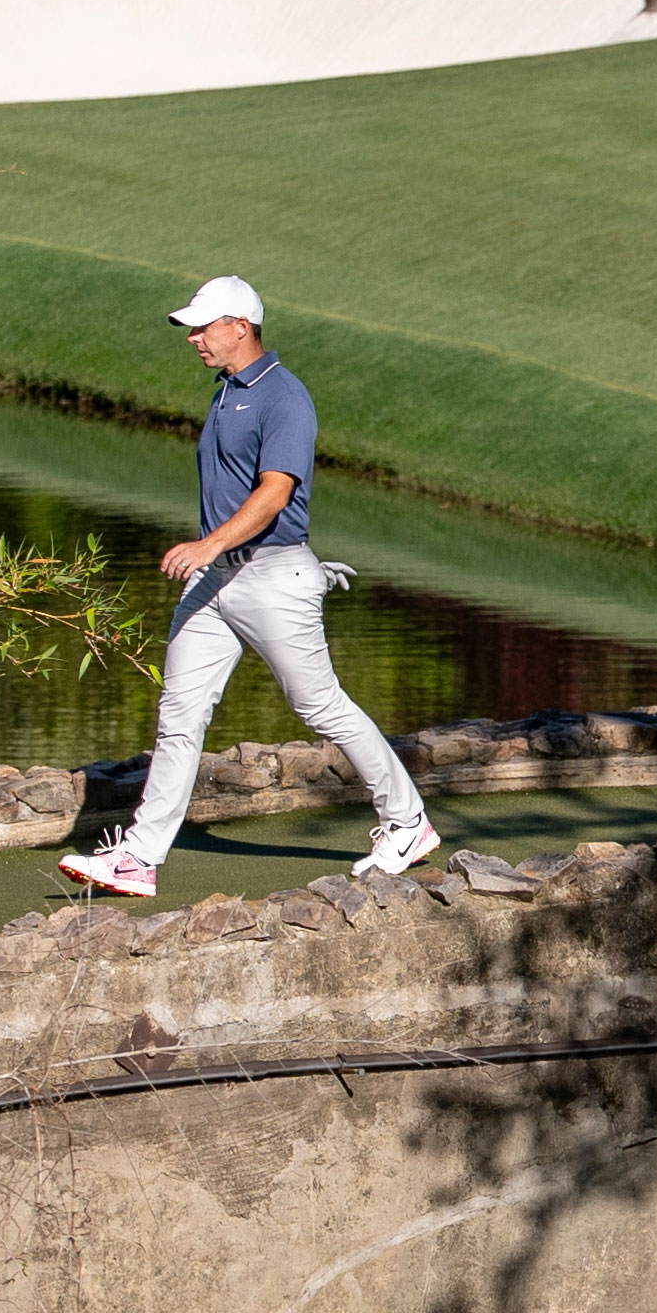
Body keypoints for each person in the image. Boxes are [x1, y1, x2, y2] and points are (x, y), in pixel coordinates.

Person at [57, 275, 440, 898]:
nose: (194, 339)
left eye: (203, 327)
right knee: (179, 713)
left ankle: (407, 823)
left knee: (319, 705)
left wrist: (209, 544)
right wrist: (211, 556)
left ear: (241, 326)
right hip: (217, 582)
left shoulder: (284, 397)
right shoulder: (228, 392)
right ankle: (138, 857)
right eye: (192, 329)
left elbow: (276, 490)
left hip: (273, 576)